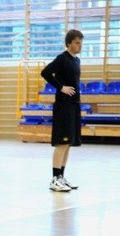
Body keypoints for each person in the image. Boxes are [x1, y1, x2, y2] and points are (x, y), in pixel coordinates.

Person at [41, 29, 84, 192]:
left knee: (69, 144)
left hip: (74, 105)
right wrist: (61, 87)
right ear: (69, 44)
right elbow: (45, 72)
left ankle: (61, 177)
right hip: (63, 106)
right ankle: (54, 179)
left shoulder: (76, 61)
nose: (80, 46)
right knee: (62, 143)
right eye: (77, 42)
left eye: (81, 43)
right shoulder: (62, 59)